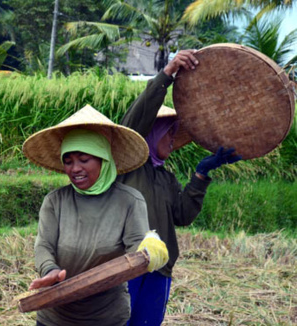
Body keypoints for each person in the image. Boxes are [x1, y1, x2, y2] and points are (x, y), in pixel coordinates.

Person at [117, 49, 242, 326]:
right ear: (153, 134)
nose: (173, 140)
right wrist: (168, 73)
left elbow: (182, 216)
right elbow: (136, 121)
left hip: (159, 270)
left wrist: (201, 174)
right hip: (124, 266)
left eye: (175, 133)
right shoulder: (126, 167)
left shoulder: (166, 178)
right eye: (169, 133)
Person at [23, 105, 170, 326]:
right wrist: (50, 270)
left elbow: (135, 254)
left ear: (103, 159)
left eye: (84, 159)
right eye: (68, 161)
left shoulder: (129, 201)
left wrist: (149, 250)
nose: (75, 168)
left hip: (106, 317)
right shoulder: (55, 201)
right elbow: (44, 245)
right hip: (55, 316)